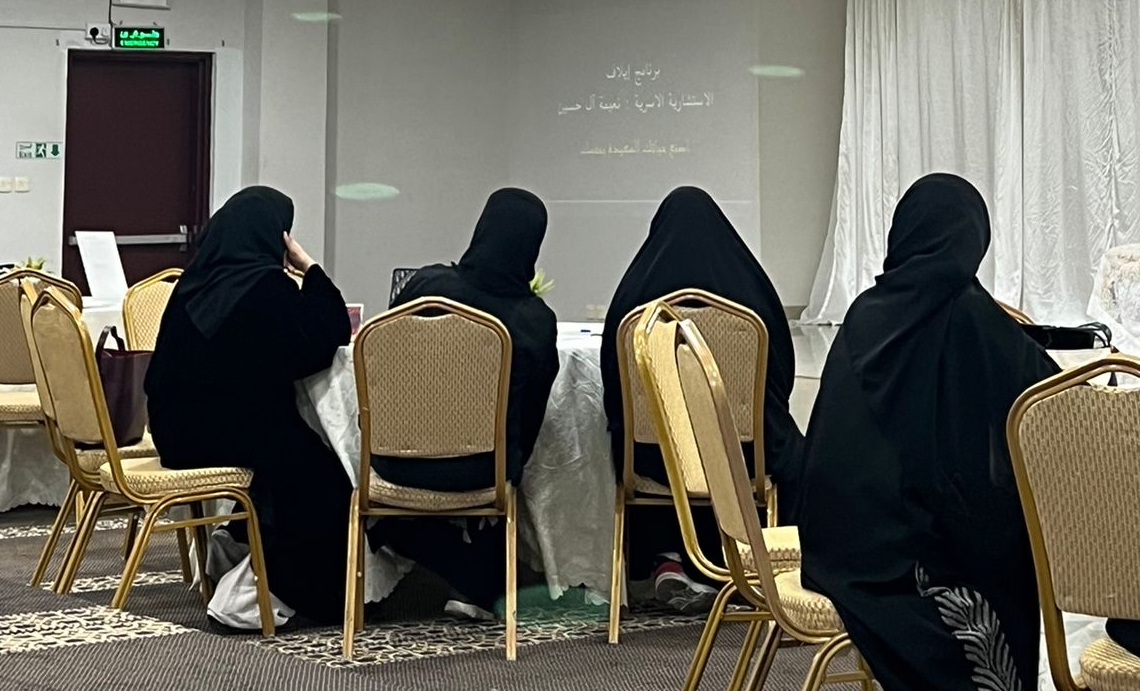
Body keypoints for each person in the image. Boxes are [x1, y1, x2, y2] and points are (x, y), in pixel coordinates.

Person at [799, 173, 1058, 691]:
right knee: (1010, 547)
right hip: (900, 557)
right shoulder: (966, 314)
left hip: (830, 539)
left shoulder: (867, 310)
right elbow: (1049, 397)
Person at [145, 186, 352, 624]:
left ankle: (238, 542)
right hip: (225, 433)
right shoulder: (263, 287)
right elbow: (325, 335)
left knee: (287, 458)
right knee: (324, 477)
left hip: (173, 433)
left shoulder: (194, 283)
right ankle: (261, 593)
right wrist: (310, 268)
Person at [601, 185, 805, 612]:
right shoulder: (749, 298)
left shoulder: (634, 304)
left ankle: (666, 558)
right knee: (792, 450)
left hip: (652, 461)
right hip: (742, 457)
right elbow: (779, 378)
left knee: (650, 444)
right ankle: (751, 563)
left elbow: (612, 388)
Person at [372, 188, 558, 620]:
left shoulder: (426, 286)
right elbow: (531, 417)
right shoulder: (534, 320)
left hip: (392, 462)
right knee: (507, 464)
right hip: (481, 471)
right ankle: (478, 581)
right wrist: (511, 462)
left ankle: (414, 545)